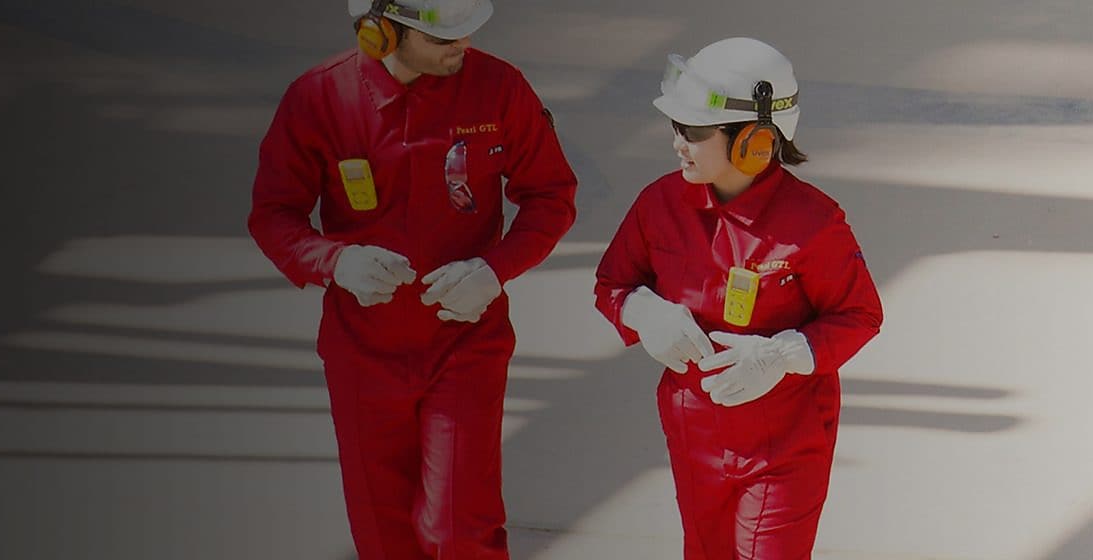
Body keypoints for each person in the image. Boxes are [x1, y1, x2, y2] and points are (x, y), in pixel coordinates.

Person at [247, 1, 577, 558]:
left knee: (460, 526)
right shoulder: (319, 98)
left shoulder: (499, 88)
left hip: (464, 343)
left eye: (467, 32)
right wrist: (335, 262)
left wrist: (495, 270)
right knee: (382, 532)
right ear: (381, 33)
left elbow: (551, 196)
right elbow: (274, 215)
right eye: (442, 38)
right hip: (362, 352)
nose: (462, 46)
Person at [593, 37, 883, 560]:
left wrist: (780, 355)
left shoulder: (812, 224)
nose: (678, 144)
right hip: (693, 435)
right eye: (676, 127)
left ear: (754, 141)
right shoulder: (659, 204)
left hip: (785, 446)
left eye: (693, 132)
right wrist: (642, 312)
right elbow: (613, 283)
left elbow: (859, 314)